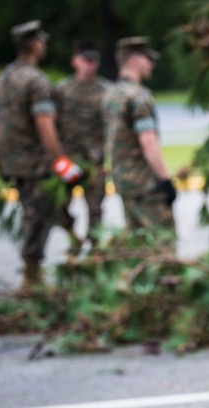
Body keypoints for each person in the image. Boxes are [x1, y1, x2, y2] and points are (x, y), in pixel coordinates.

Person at [0, 20, 84, 289]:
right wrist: (61, 162)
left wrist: (1, 157)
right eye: (42, 41)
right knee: (38, 214)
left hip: (13, 161)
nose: (44, 45)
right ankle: (31, 278)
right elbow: (44, 124)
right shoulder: (36, 81)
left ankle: (70, 243)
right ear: (34, 45)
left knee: (37, 211)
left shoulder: (4, 78)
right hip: (35, 162)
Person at [103, 36, 176, 242]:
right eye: (147, 59)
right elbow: (148, 142)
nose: (151, 64)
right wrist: (165, 180)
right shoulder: (139, 97)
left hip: (124, 182)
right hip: (146, 184)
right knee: (163, 243)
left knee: (138, 245)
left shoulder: (111, 94)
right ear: (134, 62)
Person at [54, 40, 111, 250]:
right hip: (68, 160)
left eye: (93, 61)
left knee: (95, 210)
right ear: (75, 61)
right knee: (58, 206)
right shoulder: (61, 90)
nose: (90, 65)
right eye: (85, 61)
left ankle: (95, 250)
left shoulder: (106, 90)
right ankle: (72, 237)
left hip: (94, 160)